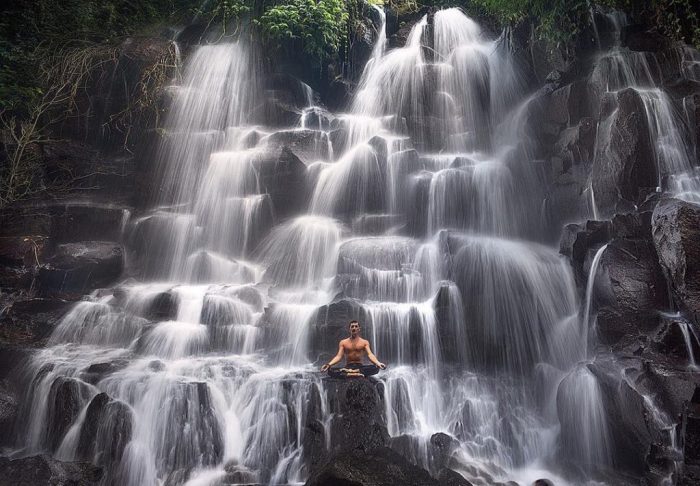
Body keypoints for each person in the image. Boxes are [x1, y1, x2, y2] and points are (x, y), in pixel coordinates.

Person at [320, 320, 386, 378]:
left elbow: (370, 354)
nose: (354, 328)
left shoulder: (364, 342)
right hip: (348, 367)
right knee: (330, 371)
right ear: (349, 329)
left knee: (376, 368)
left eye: (356, 326)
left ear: (359, 329)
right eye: (352, 326)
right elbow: (338, 356)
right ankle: (352, 373)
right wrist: (328, 364)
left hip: (359, 367)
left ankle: (352, 373)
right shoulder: (343, 342)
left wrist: (378, 363)